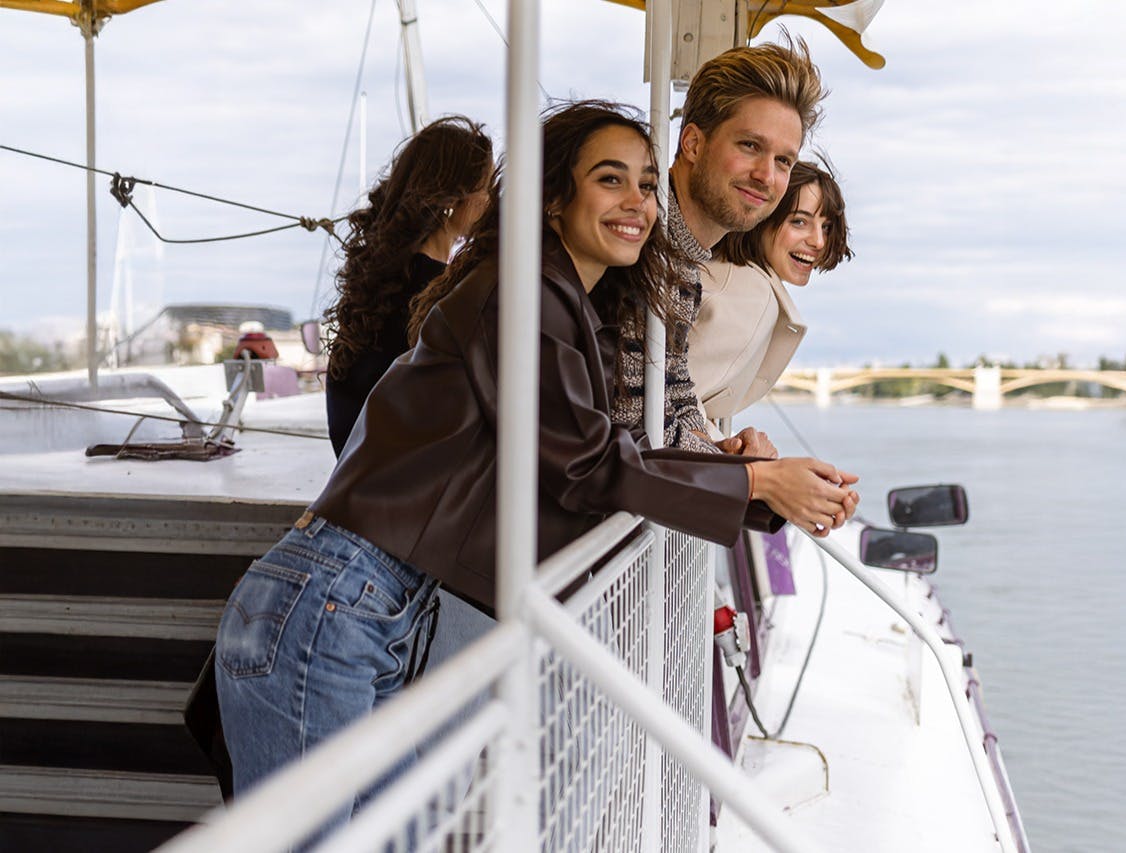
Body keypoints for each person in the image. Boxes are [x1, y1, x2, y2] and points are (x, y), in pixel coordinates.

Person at [214, 101, 859, 815]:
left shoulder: (564, 305)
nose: (638, 203)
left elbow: (604, 449)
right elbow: (586, 467)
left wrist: (756, 486)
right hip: (336, 606)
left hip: (373, 610)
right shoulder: (517, 297)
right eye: (610, 180)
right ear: (553, 200)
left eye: (647, 185)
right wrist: (756, 482)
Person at [610, 34, 825, 457]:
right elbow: (634, 421)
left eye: (784, 161)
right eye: (750, 146)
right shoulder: (644, 243)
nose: (767, 176)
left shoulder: (683, 255)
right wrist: (755, 478)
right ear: (693, 143)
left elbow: (672, 392)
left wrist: (722, 450)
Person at [323, 115, 493, 456]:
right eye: (485, 188)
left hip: (361, 482)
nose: (490, 201)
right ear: (452, 199)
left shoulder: (380, 283)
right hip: (414, 490)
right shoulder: (441, 293)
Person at [688, 159, 853, 428]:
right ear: (762, 219)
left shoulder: (727, 272)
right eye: (799, 222)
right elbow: (666, 404)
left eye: (826, 226)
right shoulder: (750, 294)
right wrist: (745, 465)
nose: (819, 241)